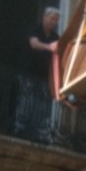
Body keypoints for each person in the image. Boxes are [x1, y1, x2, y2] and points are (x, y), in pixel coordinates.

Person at [15, 7, 60, 141]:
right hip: (28, 72)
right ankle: (20, 127)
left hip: (44, 77)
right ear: (44, 17)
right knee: (26, 100)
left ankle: (39, 131)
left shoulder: (55, 37)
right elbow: (34, 44)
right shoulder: (35, 29)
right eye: (52, 19)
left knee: (42, 104)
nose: (54, 22)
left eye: (56, 20)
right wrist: (49, 47)